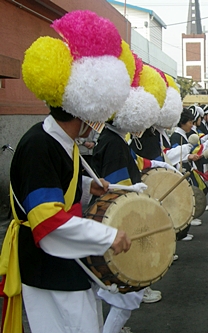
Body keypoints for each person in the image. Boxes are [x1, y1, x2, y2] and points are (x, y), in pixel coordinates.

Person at [0, 11, 132, 333]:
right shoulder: (38, 145)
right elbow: (47, 219)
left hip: (64, 261)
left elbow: (57, 185)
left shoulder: (62, 141)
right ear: (83, 107)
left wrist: (89, 188)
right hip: (47, 263)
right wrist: (108, 235)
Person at [92, 63, 168, 332]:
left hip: (113, 222)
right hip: (120, 223)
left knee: (108, 289)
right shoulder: (112, 144)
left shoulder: (114, 140)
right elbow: (117, 194)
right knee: (127, 294)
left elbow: (136, 166)